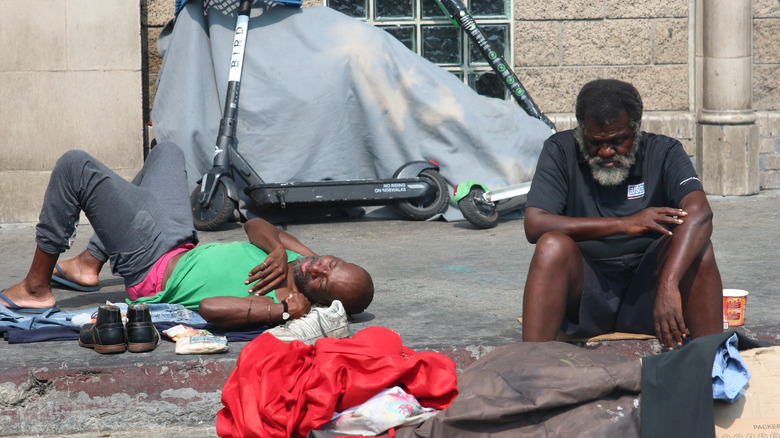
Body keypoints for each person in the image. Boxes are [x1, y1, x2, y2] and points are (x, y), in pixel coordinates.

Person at [0, 142, 374, 334]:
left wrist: (279, 312)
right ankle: (88, 263)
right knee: (168, 150)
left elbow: (211, 309)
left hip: (151, 265)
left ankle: (36, 288)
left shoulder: (284, 298)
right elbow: (255, 225)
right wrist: (278, 248)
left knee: (74, 166)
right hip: (179, 239)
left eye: (324, 281)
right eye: (331, 263)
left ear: (326, 303)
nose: (319, 268)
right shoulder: (299, 260)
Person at [521, 79, 723, 350]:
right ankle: (530, 369)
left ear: (636, 129)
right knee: (551, 246)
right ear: (581, 129)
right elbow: (535, 223)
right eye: (594, 142)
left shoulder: (665, 152)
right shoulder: (559, 150)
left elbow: (700, 213)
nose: (606, 152)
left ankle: (712, 367)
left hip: (648, 295)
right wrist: (624, 224)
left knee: (700, 248)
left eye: (618, 141)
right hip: (586, 297)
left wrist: (668, 284)